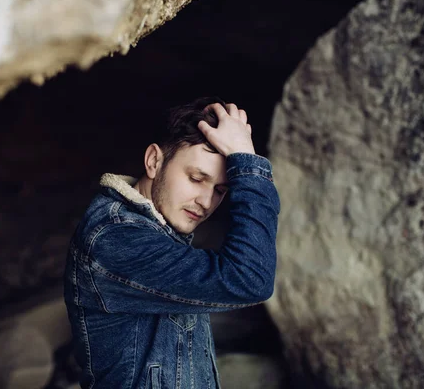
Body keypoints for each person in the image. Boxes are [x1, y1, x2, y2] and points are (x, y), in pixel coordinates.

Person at [63, 97, 280, 389]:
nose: (206, 202)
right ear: (154, 161)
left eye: (220, 190)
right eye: (195, 178)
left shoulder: (157, 229)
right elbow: (250, 279)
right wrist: (248, 166)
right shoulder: (117, 237)